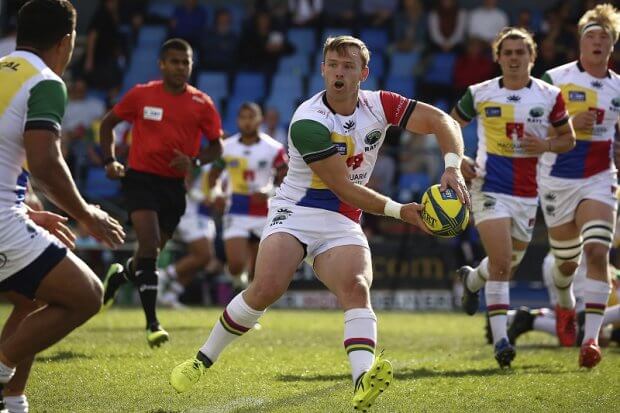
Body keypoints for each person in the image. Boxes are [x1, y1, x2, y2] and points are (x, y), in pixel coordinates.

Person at [169, 35, 470, 412]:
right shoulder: (308, 121)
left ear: (364, 72)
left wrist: (453, 168)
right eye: (333, 64)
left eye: (348, 66)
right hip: (295, 211)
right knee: (266, 288)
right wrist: (401, 211)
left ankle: (362, 381)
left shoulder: (379, 104)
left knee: (357, 288)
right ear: (322, 68)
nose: (339, 72)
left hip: (343, 218)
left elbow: (442, 121)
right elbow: (343, 186)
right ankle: (201, 360)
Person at [0, 1, 125, 411]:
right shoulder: (46, 82)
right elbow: (45, 162)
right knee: (86, 295)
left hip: (12, 211)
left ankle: (12, 400)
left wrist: (32, 213)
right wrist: (86, 214)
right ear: (67, 41)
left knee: (31, 298)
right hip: (2, 217)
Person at [451, 27, 575, 368]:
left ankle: (472, 278)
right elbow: (449, 126)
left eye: (521, 52)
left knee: (506, 264)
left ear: (532, 58)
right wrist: (459, 159)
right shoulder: (479, 93)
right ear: (499, 57)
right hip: (489, 186)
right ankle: (501, 340)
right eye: (508, 52)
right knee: (504, 263)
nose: (515, 58)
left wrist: (547, 144)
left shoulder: (550, 95)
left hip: (528, 194)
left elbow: (568, 139)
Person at [98, 38, 224, 348]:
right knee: (151, 246)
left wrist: (194, 161)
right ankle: (152, 324)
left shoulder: (202, 103)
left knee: (145, 256)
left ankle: (119, 275)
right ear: (162, 65)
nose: (181, 67)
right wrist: (109, 160)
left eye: (186, 62)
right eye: (175, 61)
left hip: (173, 187)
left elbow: (217, 147)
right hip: (139, 179)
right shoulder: (142, 94)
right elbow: (107, 124)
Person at [537, 4, 620, 368]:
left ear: (612, 46)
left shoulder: (619, 88)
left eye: (605, 37)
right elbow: (530, 127)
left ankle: (590, 341)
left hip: (600, 178)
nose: (598, 42)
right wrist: (570, 122)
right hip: (556, 178)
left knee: (598, 253)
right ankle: (563, 303)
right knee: (566, 265)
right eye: (592, 36)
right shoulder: (554, 80)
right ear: (580, 43)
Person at [208, 102, 287, 294]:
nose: (247, 122)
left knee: (257, 270)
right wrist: (217, 194)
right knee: (235, 264)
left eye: (252, 117)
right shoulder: (227, 147)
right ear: (238, 120)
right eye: (243, 117)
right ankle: (237, 280)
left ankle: (248, 311)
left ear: (260, 119)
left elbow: (285, 178)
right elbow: (213, 177)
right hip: (236, 209)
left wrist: (269, 191)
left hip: (264, 211)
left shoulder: (273, 148)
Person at [158, 165, 217, 309]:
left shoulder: (225, 162)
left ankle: (171, 295)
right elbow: (184, 182)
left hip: (206, 214)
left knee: (201, 260)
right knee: (205, 256)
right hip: (191, 212)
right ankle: (163, 276)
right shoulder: (202, 160)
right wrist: (197, 195)